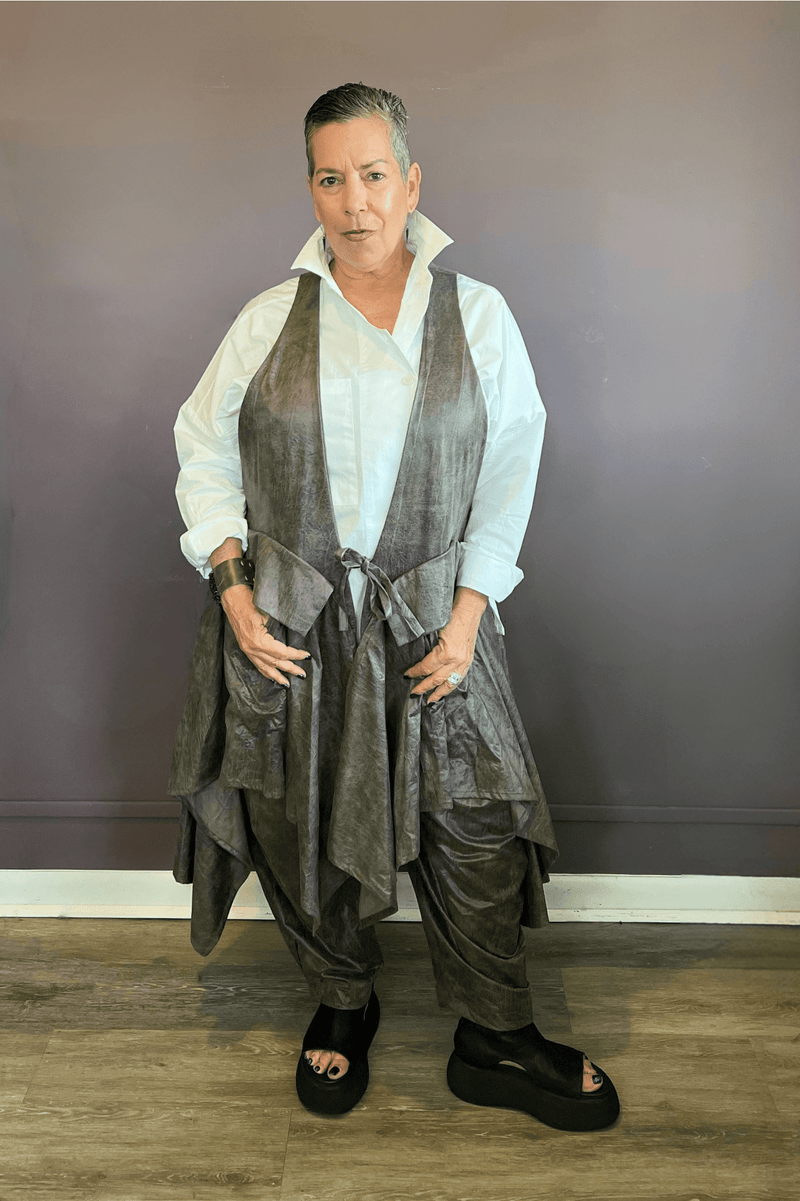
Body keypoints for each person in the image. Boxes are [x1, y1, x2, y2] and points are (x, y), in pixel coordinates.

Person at [170, 83, 619, 1131]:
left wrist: (468, 613)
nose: (354, 201)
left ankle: (493, 1037)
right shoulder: (268, 320)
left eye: (373, 175)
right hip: (293, 627)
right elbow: (202, 448)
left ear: (410, 183)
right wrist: (232, 587)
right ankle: (342, 999)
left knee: (476, 825)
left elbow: (508, 469)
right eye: (331, 178)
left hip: (434, 620)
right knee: (301, 822)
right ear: (312, 189)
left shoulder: (478, 315)